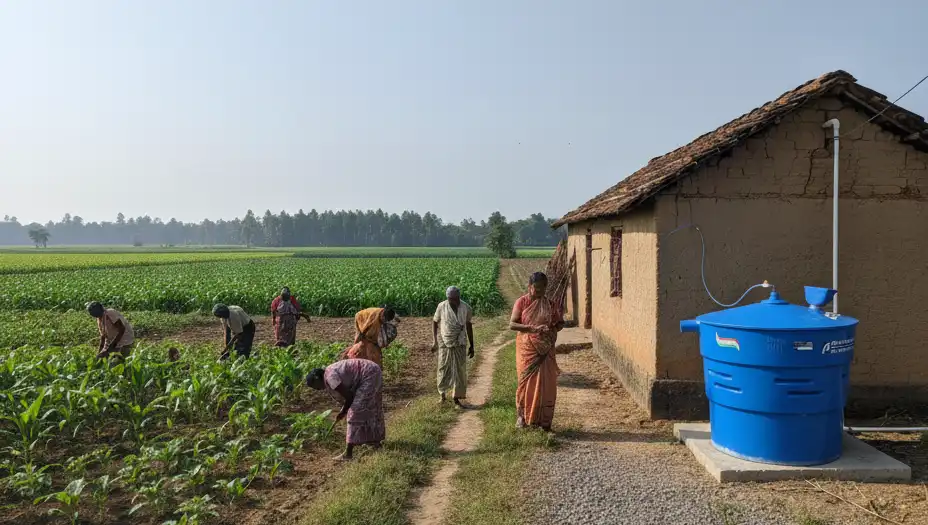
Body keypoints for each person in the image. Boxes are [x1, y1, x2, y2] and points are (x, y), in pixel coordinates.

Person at [509, 272, 564, 431]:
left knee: (547, 385)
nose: (539, 291)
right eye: (536, 287)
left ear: (546, 287)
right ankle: (523, 418)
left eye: (543, 288)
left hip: (546, 350)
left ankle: (544, 422)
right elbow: (512, 324)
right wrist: (532, 328)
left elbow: (559, 323)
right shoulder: (522, 302)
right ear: (529, 287)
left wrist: (552, 330)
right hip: (527, 349)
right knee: (526, 382)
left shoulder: (551, 304)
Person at [306, 358, 384, 460]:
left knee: (354, 413)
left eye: (314, 386)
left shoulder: (330, 378)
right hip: (372, 371)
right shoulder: (329, 373)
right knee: (369, 408)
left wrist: (344, 411)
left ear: (317, 379)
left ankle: (348, 454)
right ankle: (374, 442)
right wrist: (343, 410)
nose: (316, 389)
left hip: (369, 374)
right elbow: (349, 394)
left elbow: (349, 397)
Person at [431, 286, 474, 407]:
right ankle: (442, 395)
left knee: (460, 370)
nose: (453, 301)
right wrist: (434, 341)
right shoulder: (442, 306)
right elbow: (435, 321)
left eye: (455, 298)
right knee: (443, 367)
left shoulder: (466, 308)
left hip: (460, 341)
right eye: (450, 299)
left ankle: (456, 398)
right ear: (448, 298)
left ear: (459, 297)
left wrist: (472, 345)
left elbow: (468, 325)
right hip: (445, 341)